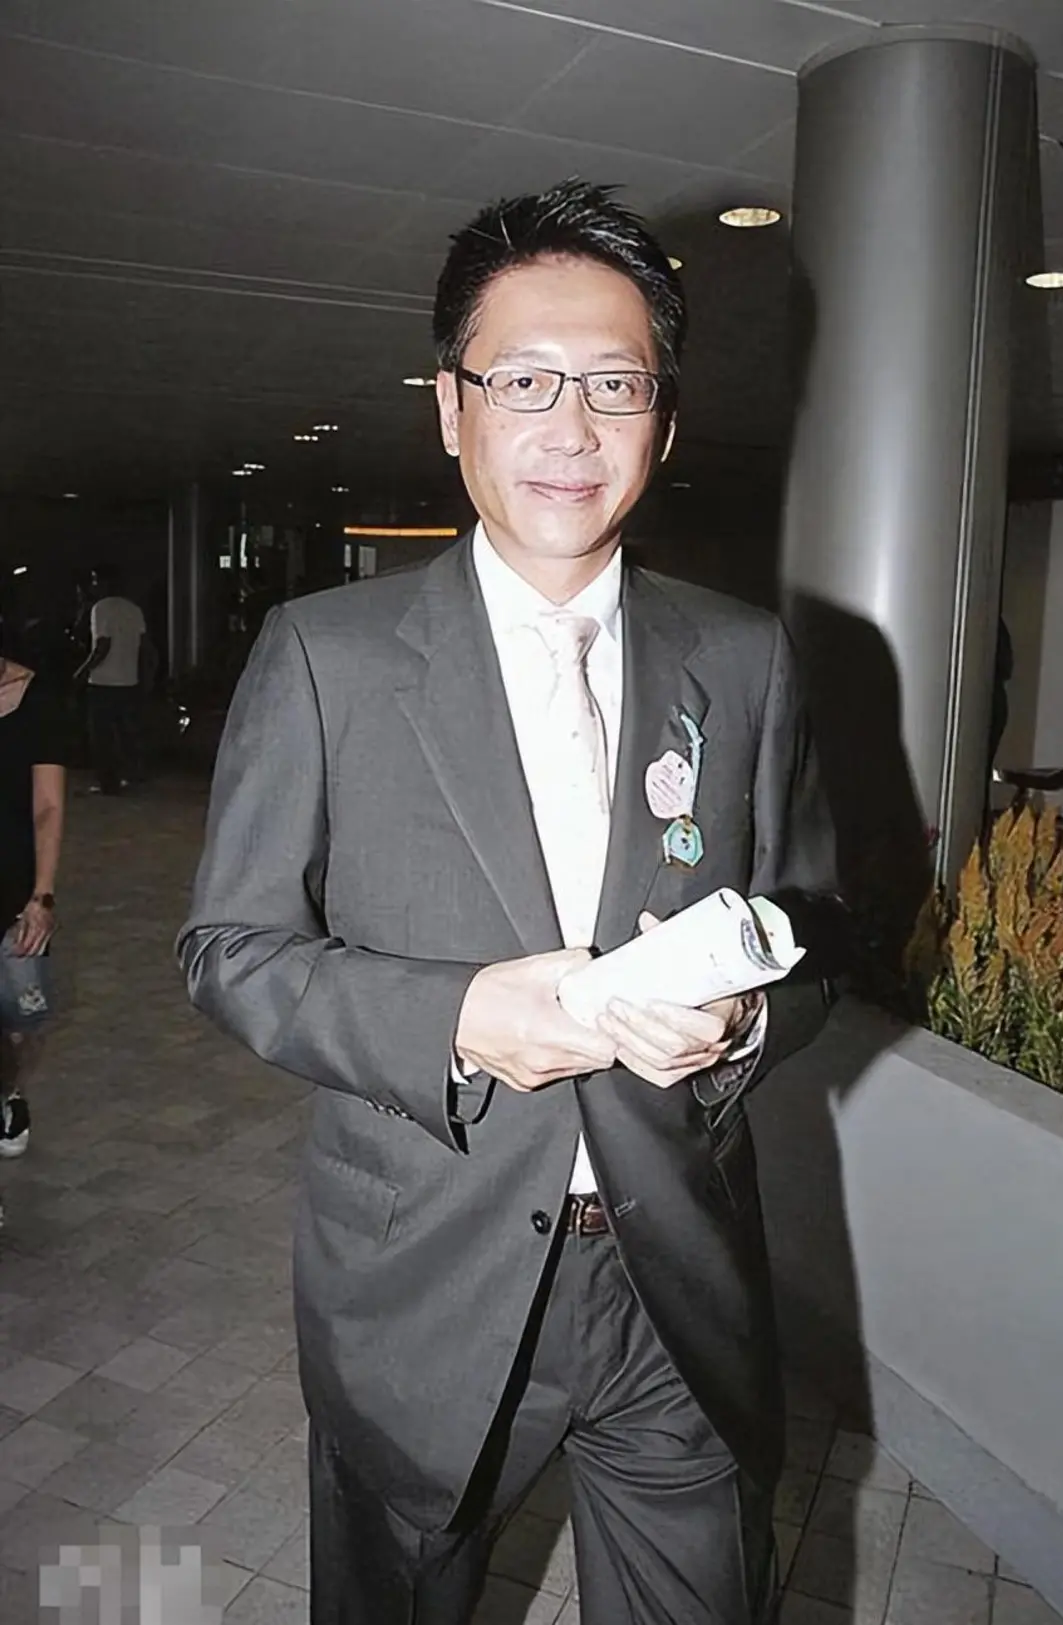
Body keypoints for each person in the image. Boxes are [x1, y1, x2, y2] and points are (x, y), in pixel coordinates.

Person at [179, 179, 841, 1625]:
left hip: (676, 1277)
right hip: (424, 1273)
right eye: (525, 379)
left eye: (615, 383)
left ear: (663, 419)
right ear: (451, 406)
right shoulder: (327, 655)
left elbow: (812, 927)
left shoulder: (744, 657)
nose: (572, 426)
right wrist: (457, 1017)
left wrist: (740, 1023)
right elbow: (228, 951)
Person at [0, 633, 67, 1196]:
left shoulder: (35, 698)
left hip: (14, 888)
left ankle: (9, 1093)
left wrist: (42, 897)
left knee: (23, 1019)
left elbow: (48, 806)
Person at [75, 563, 150, 793]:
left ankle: (108, 782)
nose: (93, 586)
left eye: (95, 580)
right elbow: (145, 646)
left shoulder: (101, 608)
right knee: (127, 732)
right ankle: (132, 774)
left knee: (102, 736)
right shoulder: (134, 609)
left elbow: (103, 645)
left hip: (103, 681)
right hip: (128, 680)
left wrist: (83, 671)